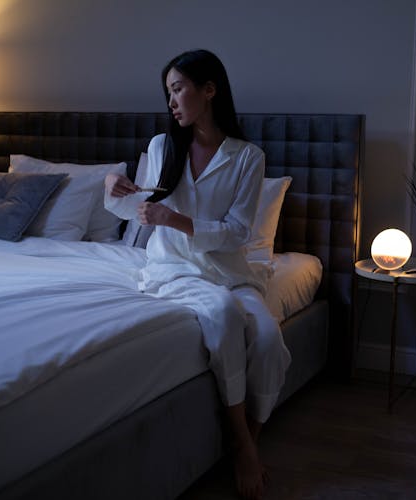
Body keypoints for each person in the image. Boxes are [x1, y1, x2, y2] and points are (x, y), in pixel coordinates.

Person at [103, 49, 290, 499]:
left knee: (268, 341)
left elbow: (238, 233)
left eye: (178, 89)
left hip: (230, 270)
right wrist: (112, 188)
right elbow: (142, 210)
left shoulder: (248, 157)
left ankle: (250, 436)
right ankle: (244, 446)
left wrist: (176, 220)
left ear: (209, 90)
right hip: (174, 268)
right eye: (168, 92)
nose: (171, 101)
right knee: (222, 314)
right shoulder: (162, 147)